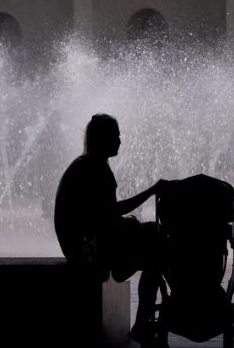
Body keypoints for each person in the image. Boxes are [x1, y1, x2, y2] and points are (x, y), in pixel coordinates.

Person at [54, 113, 165, 346]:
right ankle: (144, 322)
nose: (120, 141)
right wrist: (151, 191)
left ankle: (145, 321)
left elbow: (101, 215)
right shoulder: (95, 168)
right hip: (88, 250)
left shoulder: (87, 164)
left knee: (152, 235)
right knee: (157, 246)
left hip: (82, 243)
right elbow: (111, 213)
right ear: (102, 138)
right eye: (116, 136)